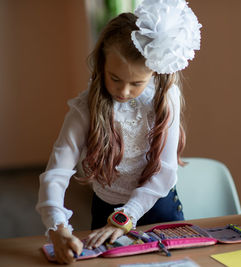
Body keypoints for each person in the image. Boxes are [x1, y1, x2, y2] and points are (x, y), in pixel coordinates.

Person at [36, 0, 201, 264]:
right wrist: (57, 228)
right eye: (115, 78)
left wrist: (127, 217)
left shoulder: (165, 97)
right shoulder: (83, 109)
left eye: (136, 83)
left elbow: (165, 171)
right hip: (106, 209)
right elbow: (55, 173)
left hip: (160, 207)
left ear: (154, 73)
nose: (123, 92)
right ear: (101, 65)